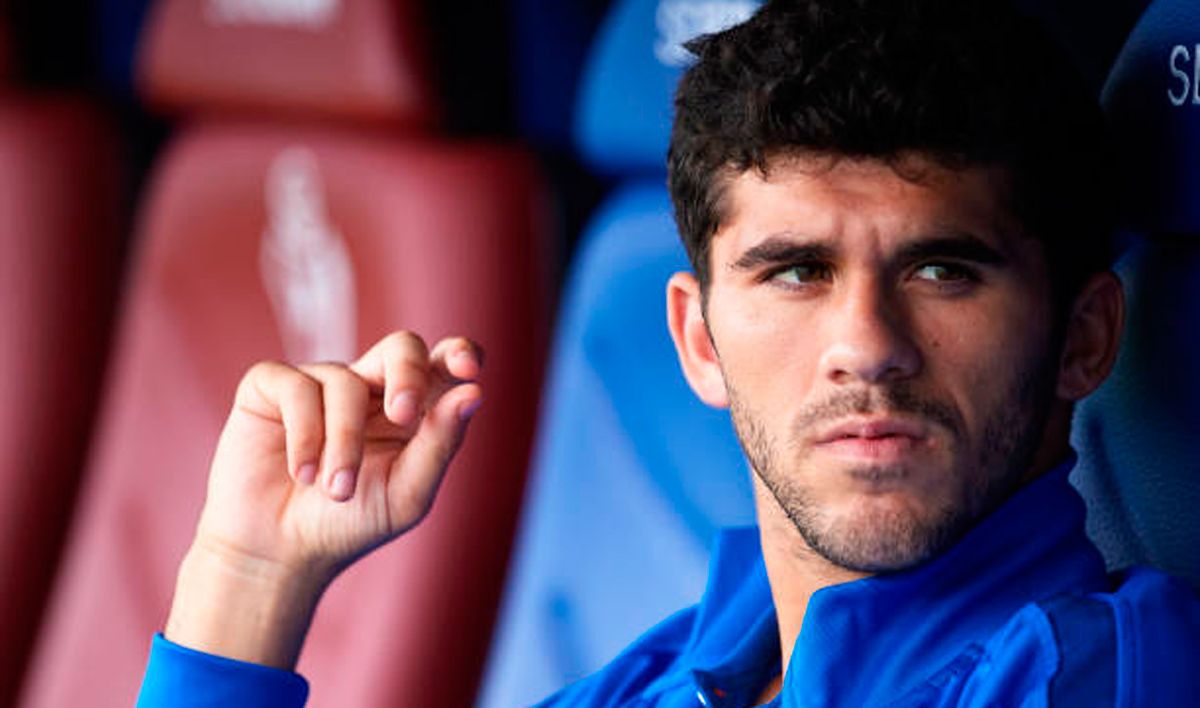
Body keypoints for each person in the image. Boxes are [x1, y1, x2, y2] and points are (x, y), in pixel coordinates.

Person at [137, 0, 1200, 706]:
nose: (866, 348)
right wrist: (250, 573)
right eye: (796, 272)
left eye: (942, 272)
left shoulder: (1094, 674)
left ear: (1084, 336)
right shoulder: (676, 669)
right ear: (697, 337)